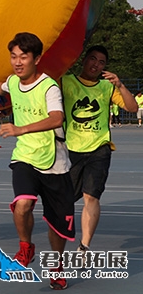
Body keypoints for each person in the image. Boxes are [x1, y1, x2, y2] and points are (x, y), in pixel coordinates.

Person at [0, 32, 74, 290]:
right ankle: (26, 247)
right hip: (25, 155)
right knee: (23, 204)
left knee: (57, 226)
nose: (17, 62)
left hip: (53, 159)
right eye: (13, 56)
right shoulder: (14, 82)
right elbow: (1, 87)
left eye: (23, 57)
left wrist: (20, 129)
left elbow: (57, 118)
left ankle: (56, 266)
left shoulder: (49, 87)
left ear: (36, 58)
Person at [60, 45, 137, 253]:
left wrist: (120, 85)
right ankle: (60, 236)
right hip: (72, 149)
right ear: (84, 60)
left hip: (99, 149)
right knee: (64, 199)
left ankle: (84, 246)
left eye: (102, 62)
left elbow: (132, 108)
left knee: (91, 196)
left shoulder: (107, 87)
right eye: (93, 59)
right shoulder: (66, 81)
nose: (96, 64)